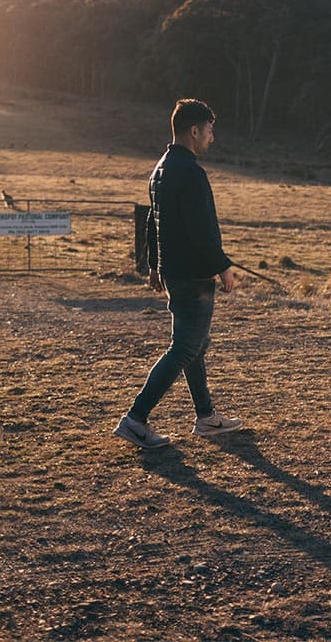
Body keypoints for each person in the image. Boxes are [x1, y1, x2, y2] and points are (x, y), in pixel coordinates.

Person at [114, 99, 243, 449]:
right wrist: (222, 267)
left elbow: (156, 223)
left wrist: (155, 265)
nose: (212, 138)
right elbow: (202, 230)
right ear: (194, 130)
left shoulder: (160, 169)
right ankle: (135, 418)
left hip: (174, 272)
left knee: (194, 345)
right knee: (184, 347)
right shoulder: (191, 173)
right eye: (210, 131)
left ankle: (206, 416)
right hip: (194, 275)